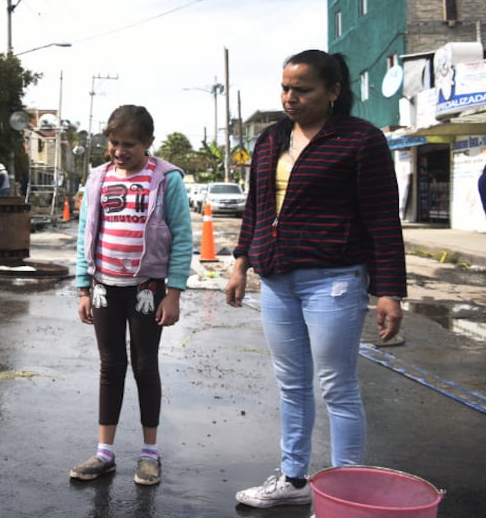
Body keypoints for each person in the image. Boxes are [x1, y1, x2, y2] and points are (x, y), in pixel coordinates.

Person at [225, 49, 406, 509]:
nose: (290, 98)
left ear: (332, 92)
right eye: (285, 88)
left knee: (337, 387)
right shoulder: (270, 141)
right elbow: (256, 209)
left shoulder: (360, 141)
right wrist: (241, 261)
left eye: (302, 90)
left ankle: (346, 492)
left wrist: (388, 290)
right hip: (277, 279)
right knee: (292, 384)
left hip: (335, 280)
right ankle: (293, 479)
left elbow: (383, 219)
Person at [70, 104, 192, 486]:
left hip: (148, 287)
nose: (120, 151)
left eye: (129, 144)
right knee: (111, 365)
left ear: (148, 143)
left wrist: (173, 293)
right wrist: (83, 287)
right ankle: (104, 452)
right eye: (114, 143)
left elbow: (183, 237)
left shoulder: (165, 179)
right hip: (105, 285)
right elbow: (85, 234)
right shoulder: (97, 179)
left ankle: (149, 454)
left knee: (144, 364)